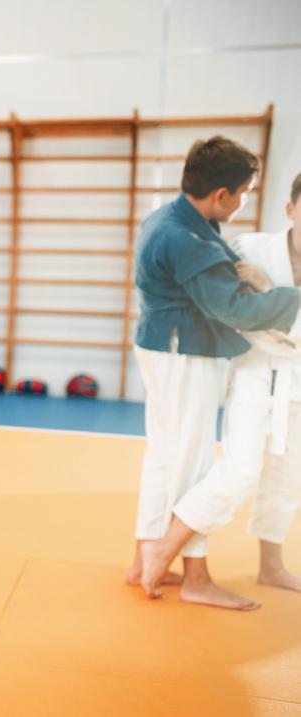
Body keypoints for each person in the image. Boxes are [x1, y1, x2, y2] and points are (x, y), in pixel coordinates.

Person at [129, 137, 301, 608]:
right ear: (222, 194)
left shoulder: (174, 219)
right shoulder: (187, 238)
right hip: (184, 352)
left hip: (168, 347)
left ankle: (144, 557)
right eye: (244, 192)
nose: (245, 201)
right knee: (192, 462)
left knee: (166, 457)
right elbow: (235, 309)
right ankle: (193, 577)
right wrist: (290, 296)